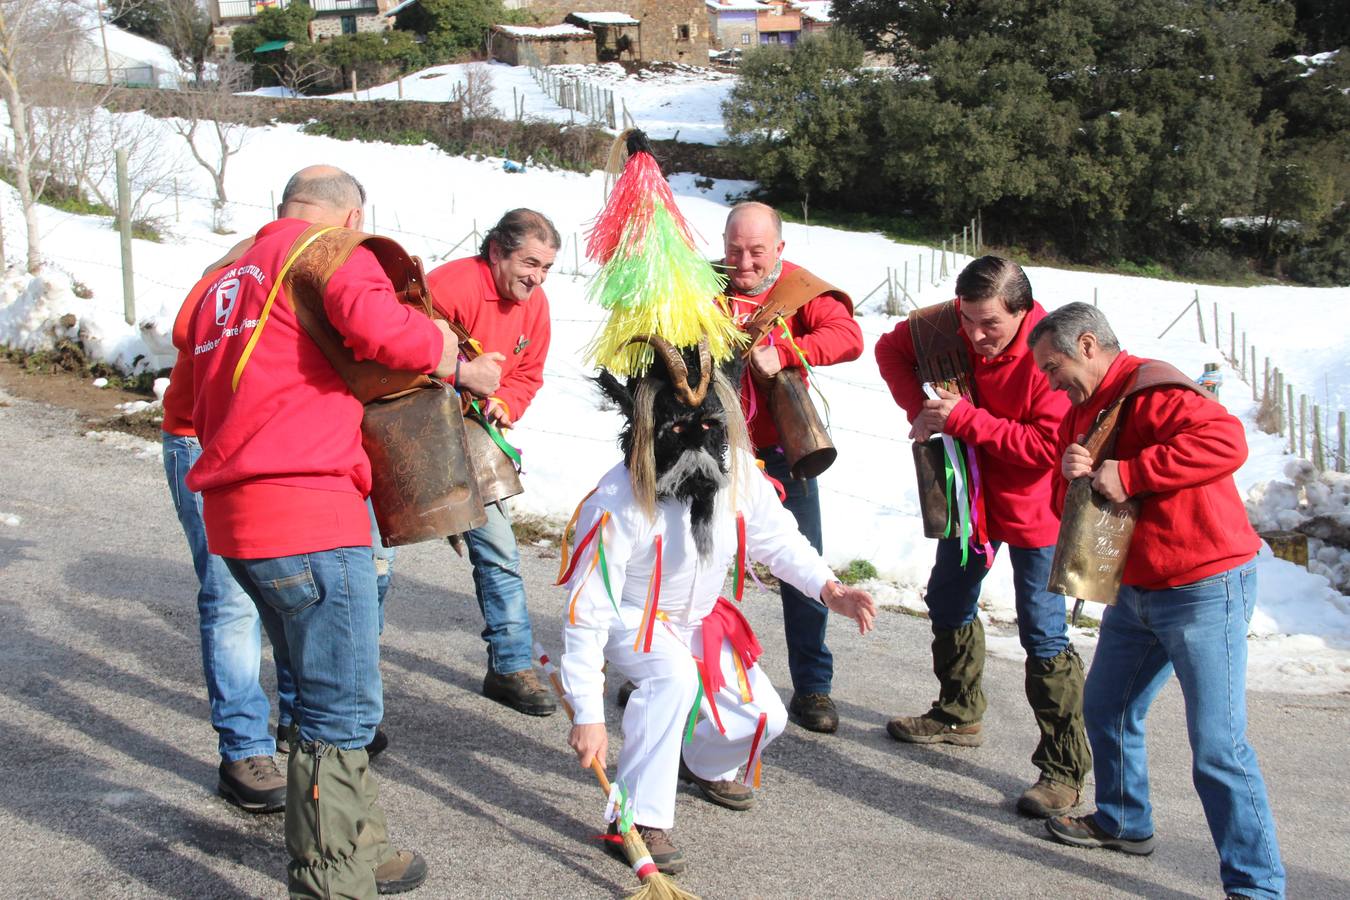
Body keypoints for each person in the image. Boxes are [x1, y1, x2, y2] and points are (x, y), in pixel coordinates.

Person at [184, 165, 457, 897]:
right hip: (310, 517)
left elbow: (183, 402)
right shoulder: (329, 253)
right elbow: (383, 331)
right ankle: (333, 880)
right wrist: (450, 350)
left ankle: (361, 843)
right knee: (341, 712)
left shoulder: (223, 277)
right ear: (350, 217)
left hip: (237, 529)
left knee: (315, 695)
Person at [559, 342, 877, 874]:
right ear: (653, 431)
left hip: (703, 617)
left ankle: (697, 762)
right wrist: (588, 713)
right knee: (673, 680)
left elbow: (780, 540)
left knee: (765, 718)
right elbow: (586, 609)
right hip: (635, 618)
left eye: (710, 429)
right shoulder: (618, 498)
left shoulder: (740, 478)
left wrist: (830, 589)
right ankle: (638, 818)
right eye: (682, 432)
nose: (699, 444)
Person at [1030, 303, 1285, 900]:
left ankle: (1257, 887)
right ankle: (1124, 821)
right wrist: (1067, 473)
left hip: (1204, 584)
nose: (1049, 380)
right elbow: (1063, 512)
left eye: (1053, 365)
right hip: (1137, 589)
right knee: (1107, 708)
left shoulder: (1155, 387)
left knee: (1219, 748)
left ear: (1087, 343)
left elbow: (1229, 441)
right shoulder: (1083, 413)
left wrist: (1135, 472)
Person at [873, 256, 1090, 817]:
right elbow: (891, 349)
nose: (973, 334)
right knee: (946, 598)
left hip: (1038, 513)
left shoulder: (1053, 353)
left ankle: (1063, 770)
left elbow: (1047, 447)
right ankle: (958, 711)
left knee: (1042, 635)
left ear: (1022, 311)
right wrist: (921, 409)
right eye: (967, 320)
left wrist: (963, 419)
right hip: (971, 504)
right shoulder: (957, 320)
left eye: (988, 323)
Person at [719, 201, 864, 734]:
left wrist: (787, 350)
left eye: (757, 251)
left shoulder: (801, 289)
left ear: (779, 248)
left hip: (783, 456)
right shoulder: (708, 284)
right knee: (698, 568)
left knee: (805, 570)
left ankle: (813, 687)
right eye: (735, 249)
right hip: (716, 451)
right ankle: (681, 669)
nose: (745, 261)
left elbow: (848, 337)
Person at [162, 256, 294, 814]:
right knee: (232, 600)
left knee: (293, 588)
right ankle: (244, 751)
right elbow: (185, 329)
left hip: (276, 448)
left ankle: (300, 719)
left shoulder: (318, 273)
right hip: (206, 440)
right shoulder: (239, 273)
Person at [426, 209, 560, 717]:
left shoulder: (536, 303)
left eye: (546, 267)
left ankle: (509, 666)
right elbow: (399, 355)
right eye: (530, 263)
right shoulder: (449, 287)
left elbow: (527, 374)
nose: (538, 277)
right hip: (415, 430)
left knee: (501, 550)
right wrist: (464, 377)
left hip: (476, 431)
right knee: (378, 561)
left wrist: (506, 402)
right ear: (497, 252)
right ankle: (355, 677)